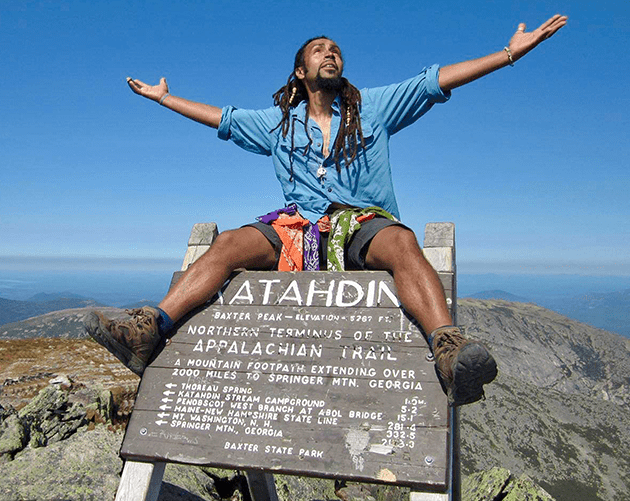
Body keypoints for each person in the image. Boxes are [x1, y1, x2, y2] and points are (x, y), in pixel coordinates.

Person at [86, 15, 568, 407]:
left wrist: (508, 54)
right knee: (230, 242)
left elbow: (434, 82)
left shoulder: (372, 107)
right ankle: (150, 329)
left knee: (401, 240)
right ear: (301, 71)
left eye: (335, 49)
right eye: (319, 50)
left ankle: (446, 347)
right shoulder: (278, 124)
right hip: (299, 227)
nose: (330, 53)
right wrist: (164, 98)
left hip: (360, 221)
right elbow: (223, 119)